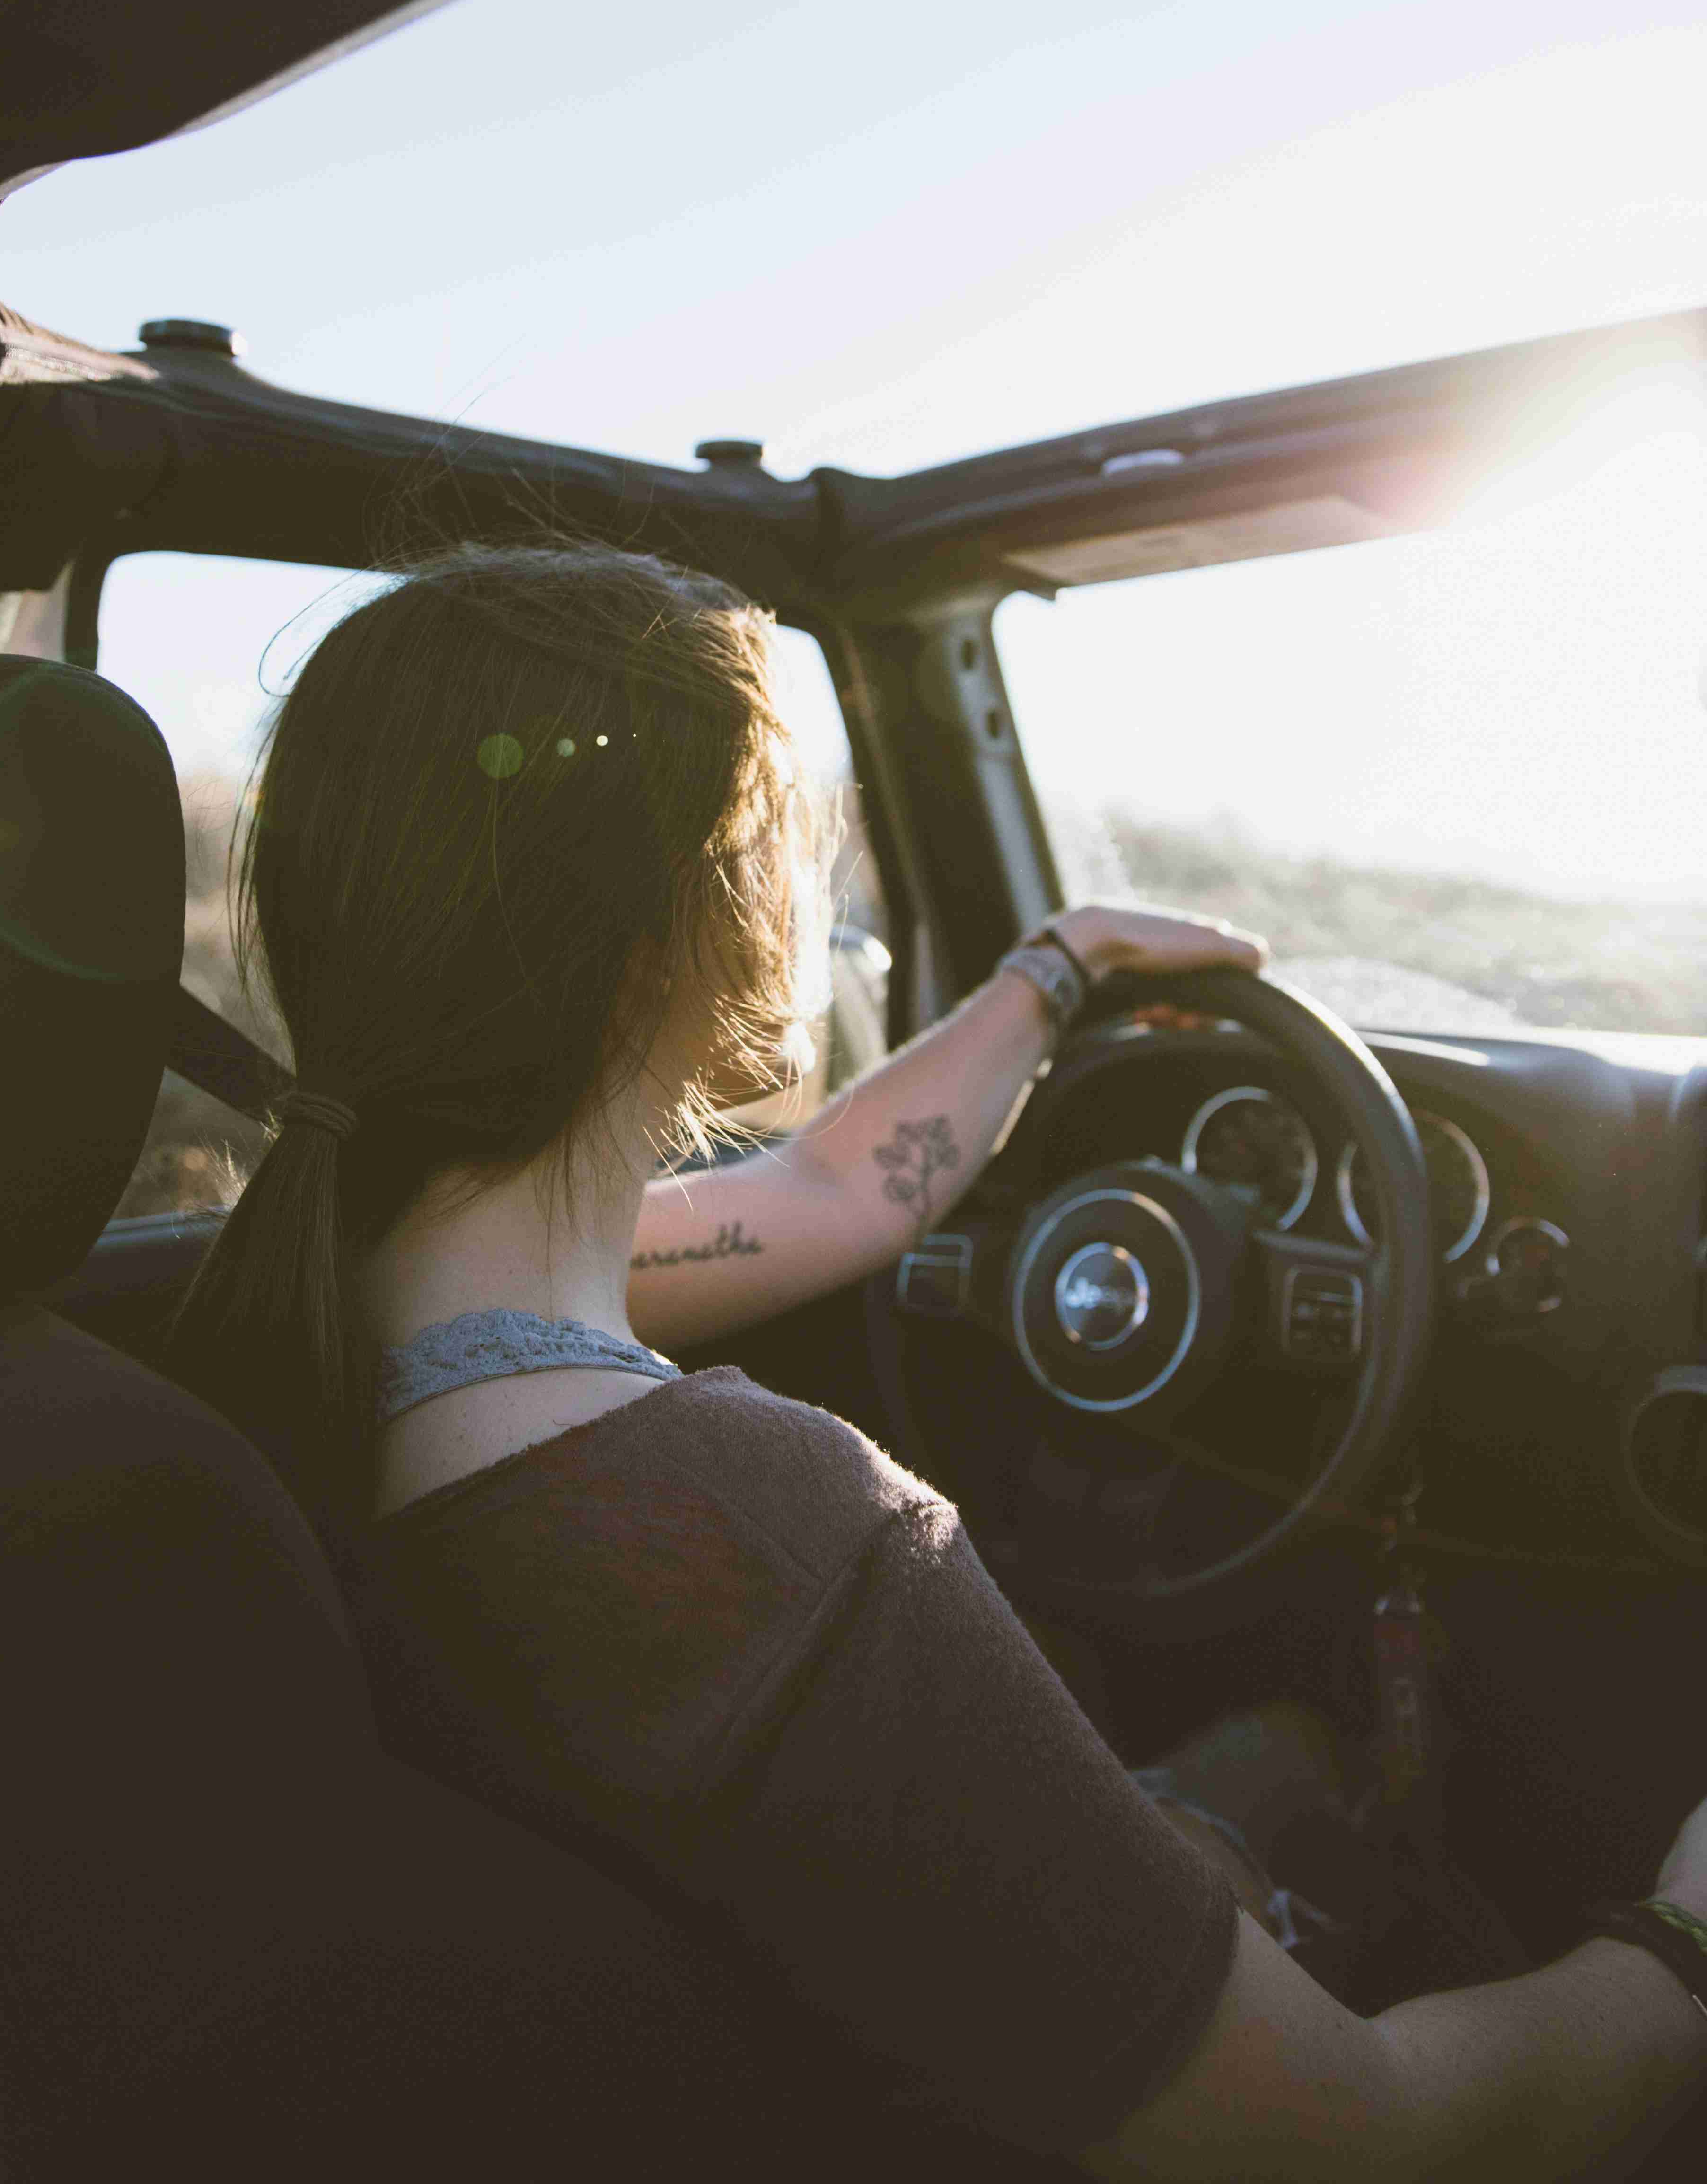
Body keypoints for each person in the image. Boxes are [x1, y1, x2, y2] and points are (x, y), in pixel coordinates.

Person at [170, 540, 1707, 2179]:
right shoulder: (760, 1539)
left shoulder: (319, 1312)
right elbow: (1374, 2143)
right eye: (777, 840)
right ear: (672, 939)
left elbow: (830, 1194)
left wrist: (1057, 972)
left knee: (1274, 1752)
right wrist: (1683, 1934)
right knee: (1305, 1765)